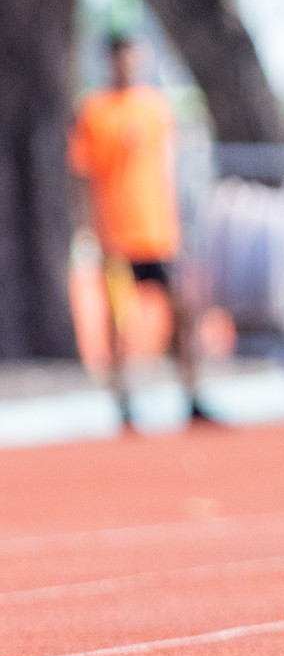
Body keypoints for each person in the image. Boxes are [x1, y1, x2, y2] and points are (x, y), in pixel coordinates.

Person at [69, 35, 210, 427]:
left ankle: (192, 390)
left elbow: (170, 171)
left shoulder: (155, 107)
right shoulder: (93, 112)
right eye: (118, 58)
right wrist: (89, 231)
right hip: (116, 235)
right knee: (120, 320)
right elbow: (82, 177)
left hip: (159, 233)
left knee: (181, 311)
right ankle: (123, 398)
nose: (125, 64)